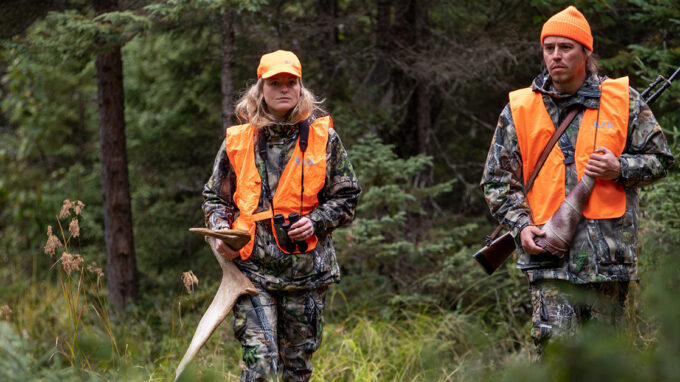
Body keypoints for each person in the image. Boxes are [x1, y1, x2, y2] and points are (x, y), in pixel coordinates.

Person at [481, 6, 673, 355]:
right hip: (549, 261)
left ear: (586, 51)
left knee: (608, 365)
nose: (556, 55)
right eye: (549, 47)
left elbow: (661, 160)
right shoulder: (519, 109)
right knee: (557, 364)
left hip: (608, 263)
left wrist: (621, 168)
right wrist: (521, 227)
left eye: (566, 47)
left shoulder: (623, 100)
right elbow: (496, 182)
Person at [202, 50, 361, 381]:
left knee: (296, 371)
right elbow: (216, 198)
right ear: (261, 89)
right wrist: (221, 235)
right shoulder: (238, 141)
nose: (284, 89)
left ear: (301, 88)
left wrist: (316, 221)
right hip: (251, 274)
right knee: (259, 366)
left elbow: (347, 197)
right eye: (275, 83)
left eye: (291, 82)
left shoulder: (324, 139)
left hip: (307, 275)